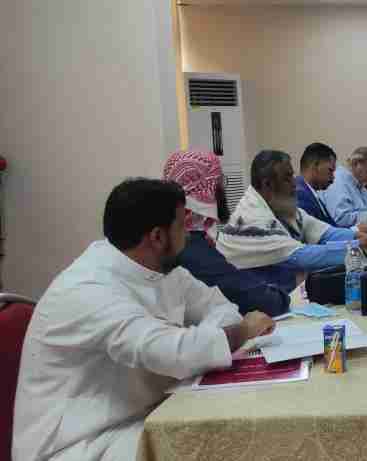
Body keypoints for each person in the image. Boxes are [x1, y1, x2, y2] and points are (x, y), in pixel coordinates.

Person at [13, 179, 275, 461]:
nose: (188, 234)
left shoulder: (163, 270)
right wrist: (240, 332)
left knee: (240, 417)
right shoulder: (88, 289)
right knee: (221, 442)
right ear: (157, 237)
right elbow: (173, 353)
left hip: (144, 415)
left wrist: (200, 345)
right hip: (81, 443)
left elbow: (220, 308)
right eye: (182, 225)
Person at [217, 150, 367, 295]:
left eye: (292, 175)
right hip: (253, 300)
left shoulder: (281, 206)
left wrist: (359, 237)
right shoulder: (251, 218)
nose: (294, 183)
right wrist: (356, 247)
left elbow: (326, 233)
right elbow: (301, 256)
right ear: (267, 184)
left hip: (282, 289)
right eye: (287, 178)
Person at [164, 150, 290, 316]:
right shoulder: (187, 243)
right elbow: (263, 301)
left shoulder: (190, 237)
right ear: (208, 188)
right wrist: (277, 294)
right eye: (219, 181)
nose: (223, 187)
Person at [322, 146, 367, 228]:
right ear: (356, 164)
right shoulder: (338, 181)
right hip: (350, 233)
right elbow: (341, 219)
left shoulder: (358, 181)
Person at [295, 142, 339, 227]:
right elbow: (319, 233)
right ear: (314, 166)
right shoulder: (300, 195)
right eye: (330, 170)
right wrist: (354, 231)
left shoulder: (310, 193)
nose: (333, 179)